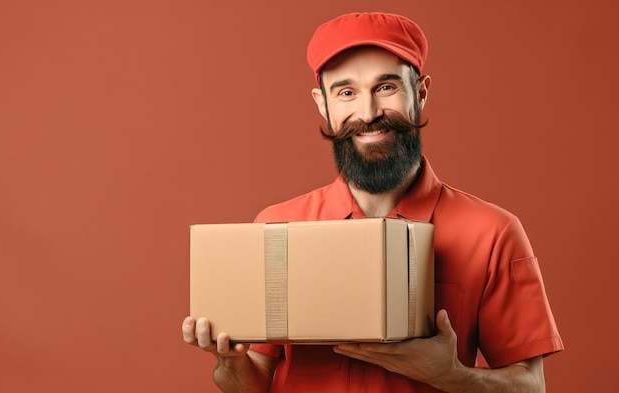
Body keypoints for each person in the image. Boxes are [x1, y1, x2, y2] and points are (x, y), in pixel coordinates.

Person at [182, 11, 564, 392]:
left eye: (385, 88)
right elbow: (256, 381)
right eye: (346, 92)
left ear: (422, 92)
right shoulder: (275, 227)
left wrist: (450, 375)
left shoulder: (493, 233)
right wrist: (229, 362)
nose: (367, 113)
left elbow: (531, 386)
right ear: (322, 104)